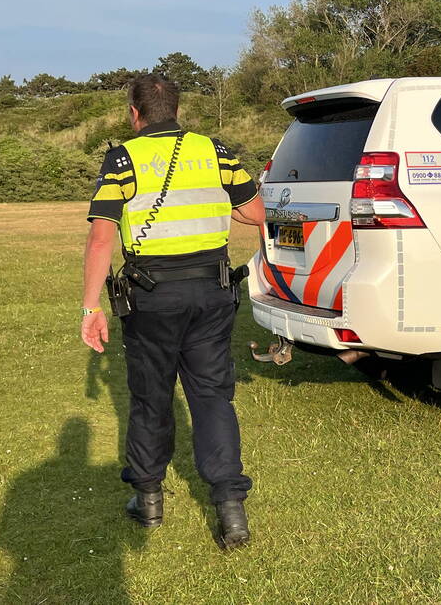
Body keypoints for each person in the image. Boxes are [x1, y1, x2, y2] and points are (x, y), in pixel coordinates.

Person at [79, 73, 265, 550]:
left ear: (133, 112)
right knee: (211, 398)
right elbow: (255, 213)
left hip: (151, 296)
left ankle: (148, 500)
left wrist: (89, 307)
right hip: (211, 292)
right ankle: (230, 509)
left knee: (150, 397)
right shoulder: (217, 151)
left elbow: (102, 237)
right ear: (177, 109)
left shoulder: (123, 158)